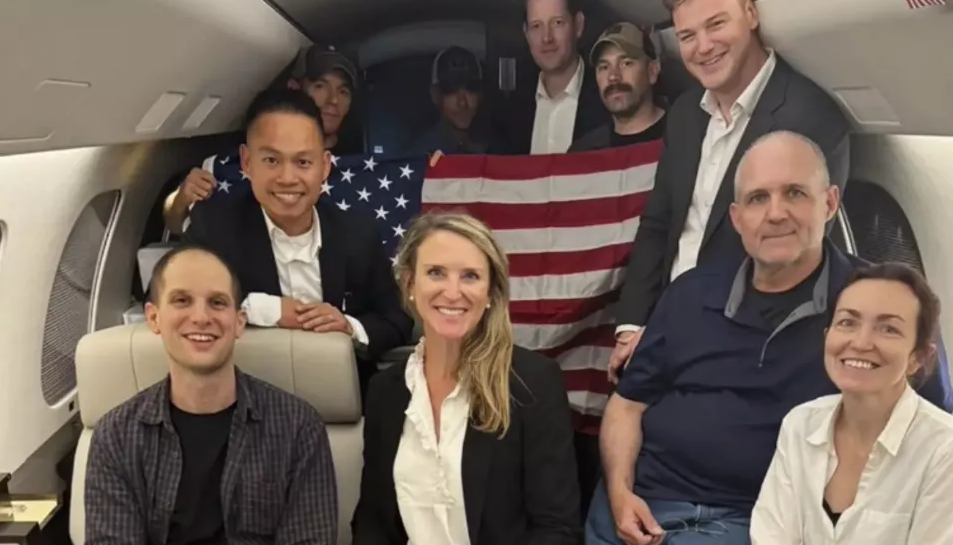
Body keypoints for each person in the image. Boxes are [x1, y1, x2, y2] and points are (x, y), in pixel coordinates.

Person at [585, 131, 953, 545]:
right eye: (758, 198)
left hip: (760, 520)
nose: (776, 213)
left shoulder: (880, 305)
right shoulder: (689, 294)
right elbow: (628, 404)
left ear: (830, 202)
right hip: (638, 507)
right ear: (736, 217)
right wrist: (620, 493)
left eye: (795, 193)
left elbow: (937, 428)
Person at [609, 0, 851, 380]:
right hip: (664, 328)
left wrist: (692, 336)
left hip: (746, 344)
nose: (703, 47)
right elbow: (659, 224)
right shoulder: (685, 116)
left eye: (717, 24)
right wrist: (632, 326)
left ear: (751, 15)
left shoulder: (810, 118)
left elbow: (791, 261)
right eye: (687, 36)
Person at [351, 211, 582, 545]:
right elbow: (372, 521)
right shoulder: (385, 391)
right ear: (410, 284)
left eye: (470, 276)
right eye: (436, 273)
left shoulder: (532, 383)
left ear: (490, 293)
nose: (453, 292)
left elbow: (556, 528)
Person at [84, 245, 339, 544]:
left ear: (239, 322)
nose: (201, 317)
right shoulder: (115, 437)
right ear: (153, 318)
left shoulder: (298, 427)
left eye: (217, 303)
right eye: (182, 300)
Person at [184, 88, 413, 398]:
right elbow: (169, 298)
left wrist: (348, 326)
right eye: (271, 160)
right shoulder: (214, 228)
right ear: (247, 162)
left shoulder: (357, 233)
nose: (287, 178)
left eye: (303, 163)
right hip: (245, 402)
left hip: (342, 401)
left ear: (325, 166)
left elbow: (397, 319)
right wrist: (268, 309)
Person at [750, 262, 953, 543]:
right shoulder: (800, 424)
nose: (861, 342)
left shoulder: (947, 448)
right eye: (848, 322)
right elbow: (770, 537)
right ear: (828, 337)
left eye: (888, 329)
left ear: (918, 357)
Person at [164, 45, 360, 235]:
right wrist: (181, 199)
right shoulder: (238, 161)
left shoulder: (363, 171)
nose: (333, 100)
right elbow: (175, 224)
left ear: (325, 165)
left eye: (343, 91)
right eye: (320, 86)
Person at [496, 0, 609, 155]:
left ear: (578, 26)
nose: (546, 38)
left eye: (557, 23)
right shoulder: (511, 110)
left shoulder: (608, 98)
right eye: (536, 26)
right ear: (526, 34)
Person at [569, 22, 667, 152]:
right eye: (604, 67)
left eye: (626, 63)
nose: (613, 76)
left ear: (652, 71)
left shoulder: (686, 137)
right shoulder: (583, 153)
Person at [409, 46, 503, 155]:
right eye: (451, 89)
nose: (462, 103)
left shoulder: (497, 150)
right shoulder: (420, 155)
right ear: (435, 95)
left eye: (471, 88)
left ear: (481, 94)